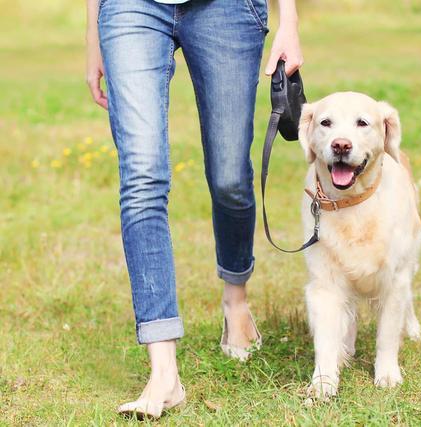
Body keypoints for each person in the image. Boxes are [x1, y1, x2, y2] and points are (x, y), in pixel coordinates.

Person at [85, 0, 303, 418]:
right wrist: (94, 36)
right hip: (130, 10)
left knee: (230, 178)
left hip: (227, 9)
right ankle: (163, 372)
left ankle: (235, 300)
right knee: (142, 178)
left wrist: (289, 21)